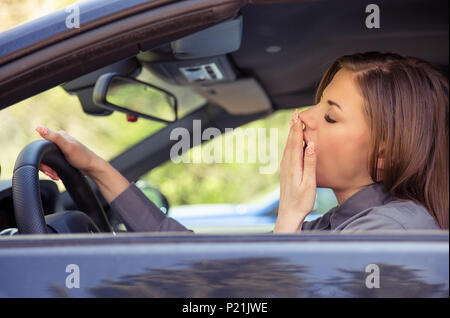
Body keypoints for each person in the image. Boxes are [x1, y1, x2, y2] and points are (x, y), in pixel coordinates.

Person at [36, 51, 448, 233]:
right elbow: (194, 261)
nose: (302, 118)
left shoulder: (393, 230)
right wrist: (95, 166)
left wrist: (288, 215)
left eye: (330, 115)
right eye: (315, 104)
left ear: (385, 153)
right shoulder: (342, 223)